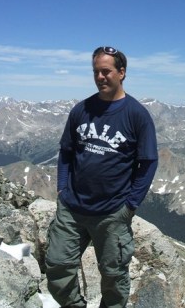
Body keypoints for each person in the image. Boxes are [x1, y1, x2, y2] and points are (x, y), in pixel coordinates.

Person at [45, 46, 158, 308]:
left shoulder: (136, 114)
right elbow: (66, 152)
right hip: (71, 209)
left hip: (111, 213)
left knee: (114, 276)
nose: (100, 77)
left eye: (106, 71)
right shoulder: (81, 110)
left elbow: (148, 162)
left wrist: (130, 205)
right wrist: (62, 189)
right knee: (57, 266)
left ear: (122, 73)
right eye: (96, 71)